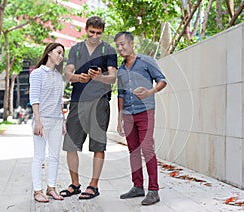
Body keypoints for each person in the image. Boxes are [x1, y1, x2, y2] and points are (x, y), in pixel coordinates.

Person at [60, 16, 117, 200]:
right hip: (77, 101)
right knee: (71, 144)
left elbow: (113, 78)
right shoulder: (76, 50)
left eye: (98, 33)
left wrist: (100, 77)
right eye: (91, 32)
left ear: (102, 32)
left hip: (99, 102)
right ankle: (74, 184)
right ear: (86, 29)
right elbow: (67, 73)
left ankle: (93, 185)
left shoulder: (108, 50)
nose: (94, 36)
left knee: (98, 145)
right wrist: (78, 78)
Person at [114, 32, 167, 205]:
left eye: (123, 44)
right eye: (118, 46)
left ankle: (153, 190)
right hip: (128, 114)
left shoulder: (146, 61)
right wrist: (120, 117)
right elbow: (120, 94)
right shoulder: (121, 69)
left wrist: (150, 92)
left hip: (146, 112)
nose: (121, 48)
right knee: (133, 150)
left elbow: (162, 81)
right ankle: (138, 186)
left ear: (131, 43)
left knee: (147, 148)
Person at [29, 42, 66, 203]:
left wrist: (63, 121)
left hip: (57, 121)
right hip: (42, 120)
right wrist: (37, 121)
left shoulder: (59, 76)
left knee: (55, 156)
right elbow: (34, 99)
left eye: (62, 54)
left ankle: (51, 188)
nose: (60, 56)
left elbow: (60, 102)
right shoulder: (37, 73)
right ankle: (37, 190)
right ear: (49, 53)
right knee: (39, 157)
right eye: (58, 52)